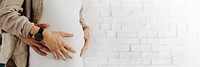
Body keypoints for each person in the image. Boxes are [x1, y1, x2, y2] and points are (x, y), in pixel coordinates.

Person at [0, 0, 91, 67]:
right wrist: (40, 34)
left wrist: (86, 28)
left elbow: (76, 14)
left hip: (74, 59)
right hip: (41, 58)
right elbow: (5, 15)